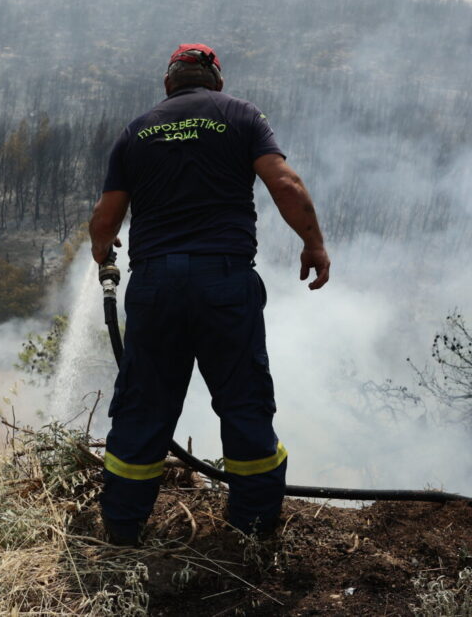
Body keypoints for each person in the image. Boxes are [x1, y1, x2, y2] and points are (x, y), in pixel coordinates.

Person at [89, 43, 329, 546]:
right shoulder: (240, 115)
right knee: (244, 404)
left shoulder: (136, 130)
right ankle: (253, 530)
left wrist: (103, 250)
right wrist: (314, 244)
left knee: (142, 408)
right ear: (216, 81)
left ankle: (123, 530)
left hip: (154, 287)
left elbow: (104, 221)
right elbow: (285, 184)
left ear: (168, 83)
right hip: (225, 282)